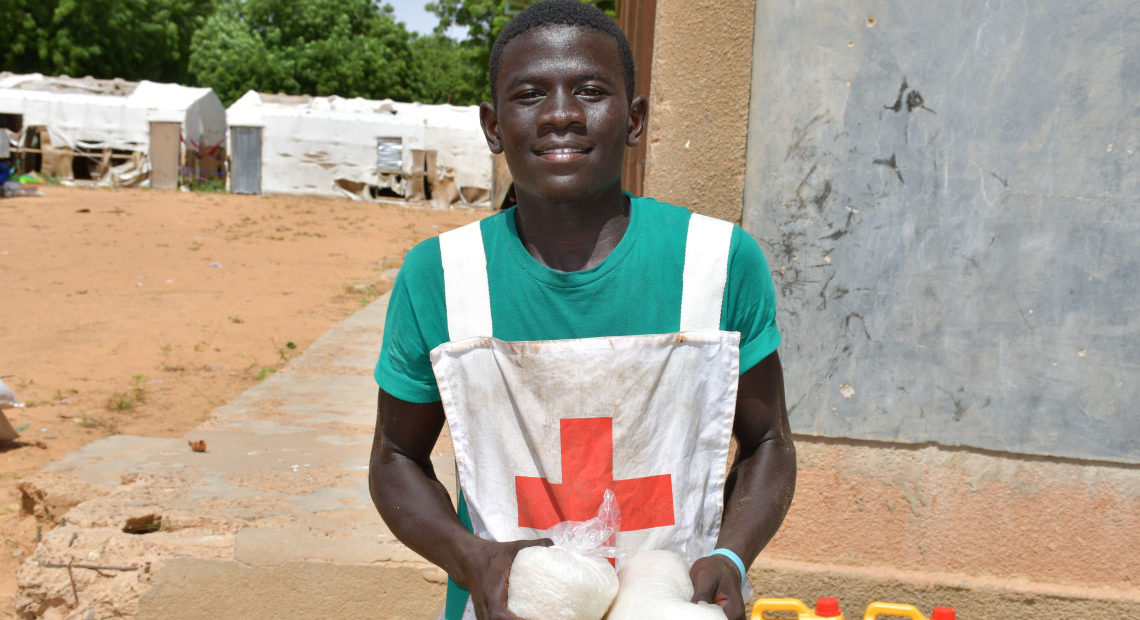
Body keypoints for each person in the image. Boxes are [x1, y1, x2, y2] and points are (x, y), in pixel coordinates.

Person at [368, 2, 796, 619]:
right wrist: (471, 559)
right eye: (530, 93)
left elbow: (768, 442)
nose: (562, 114)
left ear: (635, 118)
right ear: (492, 126)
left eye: (591, 91)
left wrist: (730, 557)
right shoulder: (441, 276)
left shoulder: (719, 263)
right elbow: (394, 458)